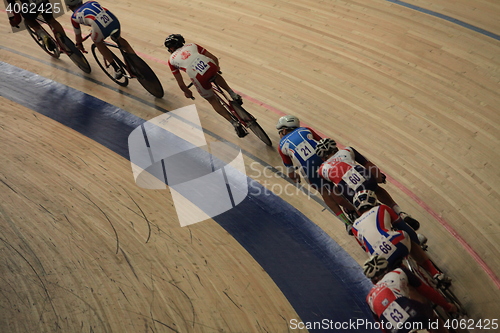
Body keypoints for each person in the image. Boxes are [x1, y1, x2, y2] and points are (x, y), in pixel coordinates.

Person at [315, 138, 421, 230]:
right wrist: (379, 178)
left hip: (351, 191)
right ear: (336, 148)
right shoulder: (347, 150)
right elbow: (369, 165)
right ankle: (399, 212)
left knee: (363, 211)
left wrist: (353, 207)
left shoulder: (321, 170)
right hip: (366, 180)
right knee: (377, 189)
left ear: (323, 158)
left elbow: (338, 198)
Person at [351, 190, 450, 286]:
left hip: (378, 258)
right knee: (407, 237)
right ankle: (435, 274)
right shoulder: (382, 208)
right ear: (375, 202)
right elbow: (405, 228)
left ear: (358, 211)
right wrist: (416, 243)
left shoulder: (354, 227)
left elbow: (366, 249)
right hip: (395, 242)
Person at [276, 115, 355, 225]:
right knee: (343, 179)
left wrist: (295, 177)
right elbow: (325, 143)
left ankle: (346, 222)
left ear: (284, 130)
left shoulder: (281, 146)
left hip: (309, 170)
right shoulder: (305, 130)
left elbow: (290, 171)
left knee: (325, 193)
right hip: (326, 159)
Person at [164, 34, 247, 138]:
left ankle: (234, 123)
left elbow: (181, 84)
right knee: (215, 74)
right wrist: (217, 68)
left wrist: (188, 92)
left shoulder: (171, 60)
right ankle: (232, 94)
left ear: (171, 48)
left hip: (198, 77)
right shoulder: (192, 45)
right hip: (210, 66)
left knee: (212, 100)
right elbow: (214, 58)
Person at [363, 255, 457, 333]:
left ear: (373, 282)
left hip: (393, 327)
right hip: (411, 310)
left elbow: (382, 326)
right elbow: (427, 291)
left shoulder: (369, 298)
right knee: (433, 319)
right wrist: (447, 306)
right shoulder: (399, 272)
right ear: (388, 268)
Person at [65, 0, 135, 79]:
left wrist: (79, 44)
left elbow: (78, 36)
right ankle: (136, 61)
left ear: (69, 7)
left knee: (97, 42)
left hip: (99, 27)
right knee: (118, 38)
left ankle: (116, 69)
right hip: (113, 19)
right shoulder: (91, 2)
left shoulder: (74, 17)